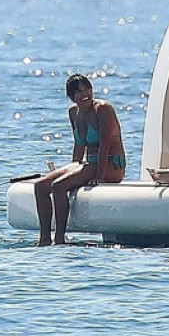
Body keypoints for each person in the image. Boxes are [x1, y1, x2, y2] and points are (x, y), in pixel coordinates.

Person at [33, 74, 126, 246]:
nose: (84, 95)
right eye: (78, 92)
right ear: (71, 97)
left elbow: (104, 145)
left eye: (87, 89)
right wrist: (72, 168)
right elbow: (79, 145)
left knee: (58, 186)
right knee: (40, 187)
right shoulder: (73, 113)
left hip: (110, 163)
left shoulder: (103, 109)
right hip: (89, 163)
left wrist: (98, 177)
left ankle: (59, 238)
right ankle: (44, 239)